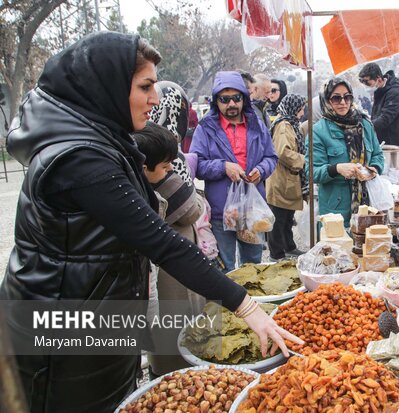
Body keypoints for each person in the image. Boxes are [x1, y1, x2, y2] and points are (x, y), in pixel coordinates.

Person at [1, 32, 300, 412]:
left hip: (102, 308)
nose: (155, 98)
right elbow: (161, 241)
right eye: (145, 86)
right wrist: (246, 306)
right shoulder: (80, 157)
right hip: (66, 323)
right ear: (106, 88)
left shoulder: (102, 138)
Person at [134, 122, 206, 377]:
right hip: (168, 267)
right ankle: (172, 372)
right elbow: (191, 209)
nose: (171, 169)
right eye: (166, 166)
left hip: (174, 261)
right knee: (173, 324)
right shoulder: (139, 190)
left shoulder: (151, 159)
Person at [190, 71, 278, 273]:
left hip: (253, 210)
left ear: (244, 99)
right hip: (222, 211)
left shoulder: (257, 124)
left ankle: (253, 304)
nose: (231, 104)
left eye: (236, 98)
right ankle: (230, 305)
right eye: (224, 99)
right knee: (225, 267)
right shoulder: (206, 128)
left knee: (253, 266)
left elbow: (271, 158)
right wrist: (223, 167)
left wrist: (261, 170)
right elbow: (197, 165)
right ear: (216, 101)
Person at [307, 77, 384, 225]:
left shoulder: (365, 124)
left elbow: (377, 154)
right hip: (336, 209)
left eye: (347, 97)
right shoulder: (318, 131)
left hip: (368, 203)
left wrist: (374, 168)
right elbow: (312, 172)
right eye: (336, 98)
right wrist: (337, 169)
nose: (343, 102)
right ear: (327, 100)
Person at [266, 94, 308, 261]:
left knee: (287, 218)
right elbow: (283, 152)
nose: (302, 112)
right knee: (278, 219)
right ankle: (276, 254)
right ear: (294, 108)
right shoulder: (284, 125)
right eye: (301, 109)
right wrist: (305, 160)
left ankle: (289, 247)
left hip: (287, 180)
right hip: (280, 180)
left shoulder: (291, 124)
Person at [358, 63, 399, 150]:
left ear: (378, 78)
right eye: (362, 82)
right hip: (382, 141)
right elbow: (378, 116)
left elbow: (385, 119)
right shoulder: (381, 91)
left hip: (394, 144)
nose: (365, 85)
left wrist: (364, 125)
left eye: (367, 82)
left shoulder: (395, 93)